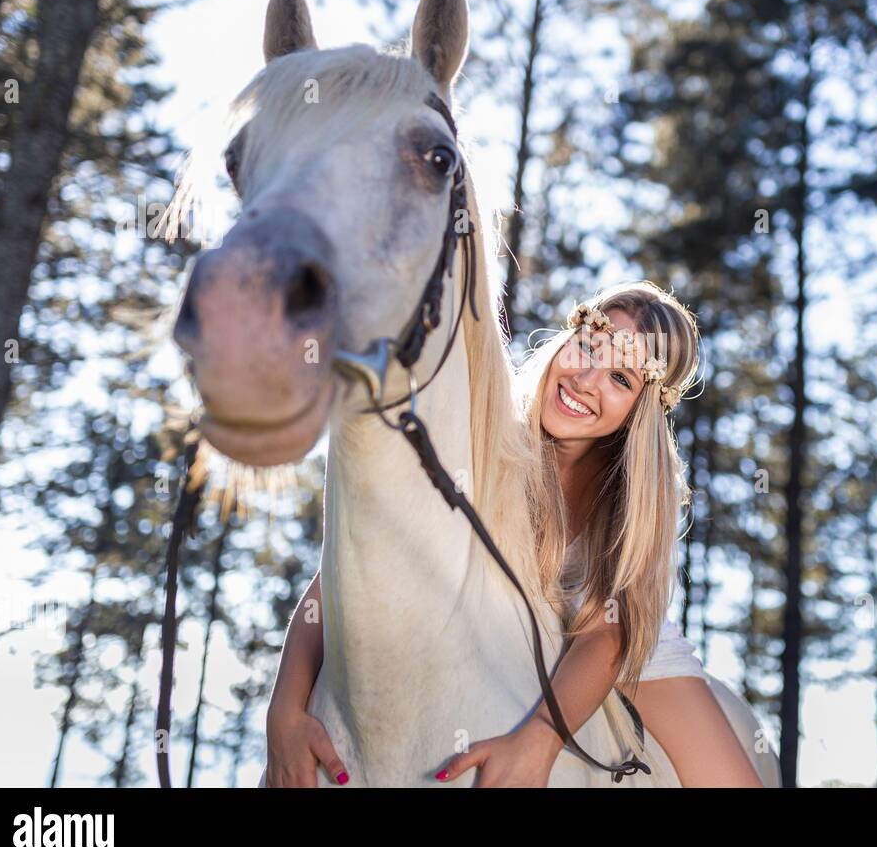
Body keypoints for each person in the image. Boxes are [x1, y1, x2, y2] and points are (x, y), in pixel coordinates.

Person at [266, 281, 763, 786]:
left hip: (621, 637)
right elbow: (358, 565)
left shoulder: (635, 496)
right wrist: (284, 712)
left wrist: (541, 738)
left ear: (641, 410)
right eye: (588, 347)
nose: (587, 379)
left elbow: (605, 632)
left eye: (619, 376)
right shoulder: (485, 432)